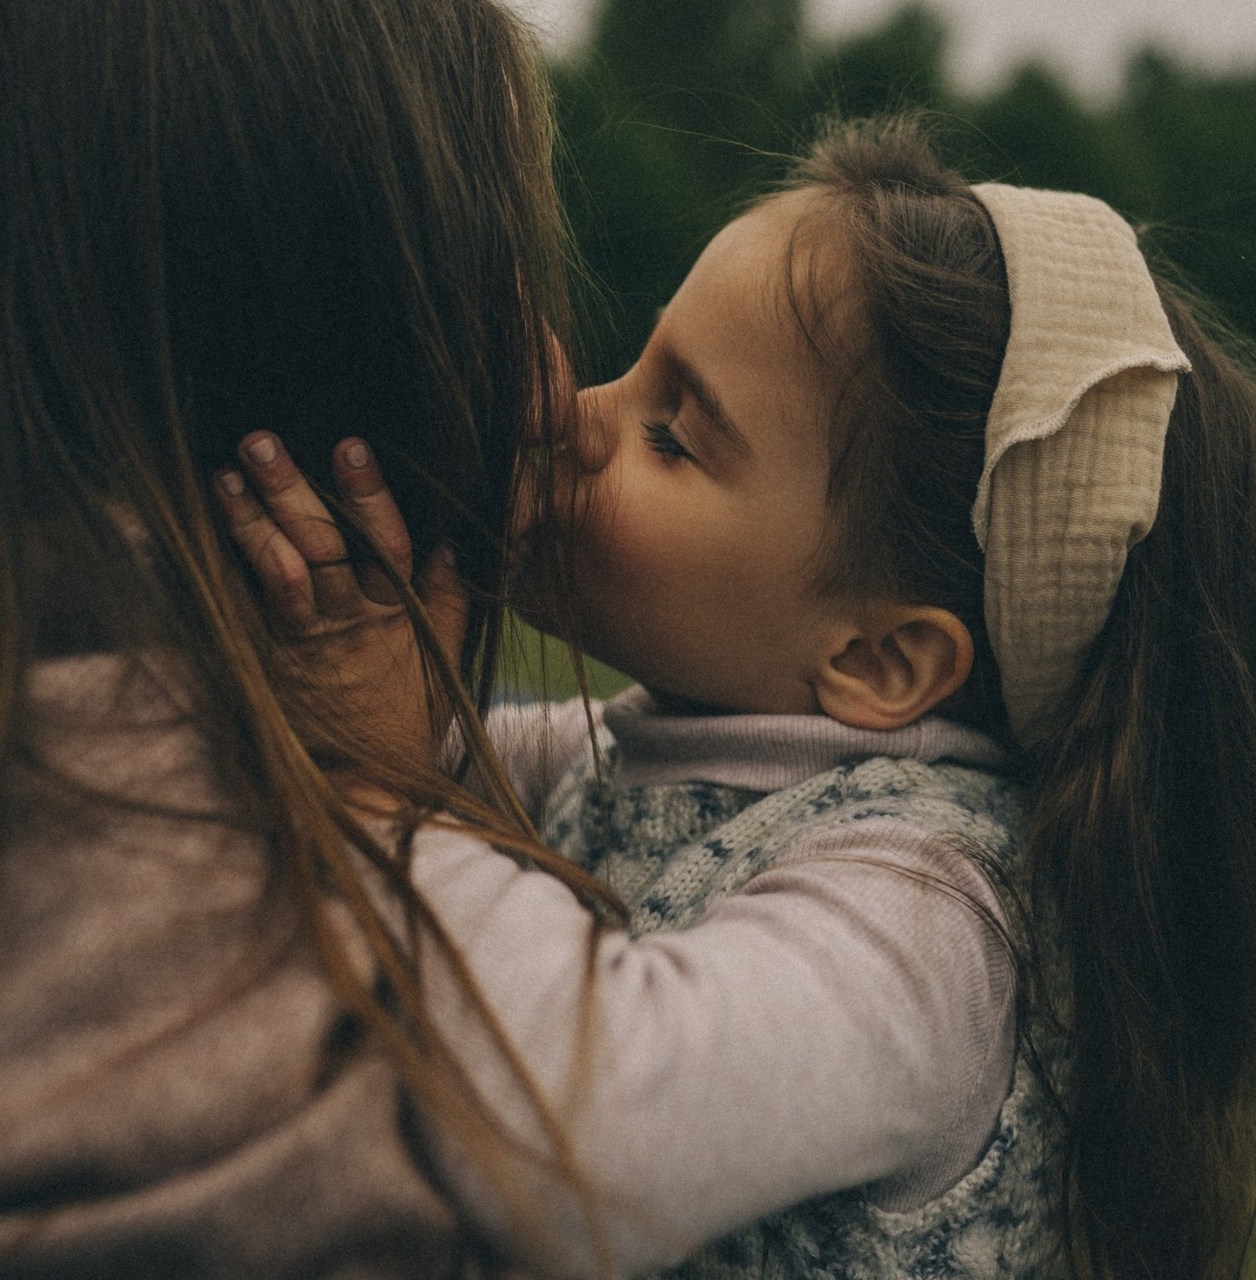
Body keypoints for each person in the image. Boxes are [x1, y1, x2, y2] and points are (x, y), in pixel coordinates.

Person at [221, 120, 1256, 1280]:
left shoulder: (932, 919)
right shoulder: (642, 750)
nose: (574, 412)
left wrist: (370, 779)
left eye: (670, 432)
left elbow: (570, 1145)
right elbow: (396, 755)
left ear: (877, 662)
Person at [0, 0, 615, 1276]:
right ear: (290, 313)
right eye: (470, 278)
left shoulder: (68, 755)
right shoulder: (205, 926)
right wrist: (380, 809)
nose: (552, 388)